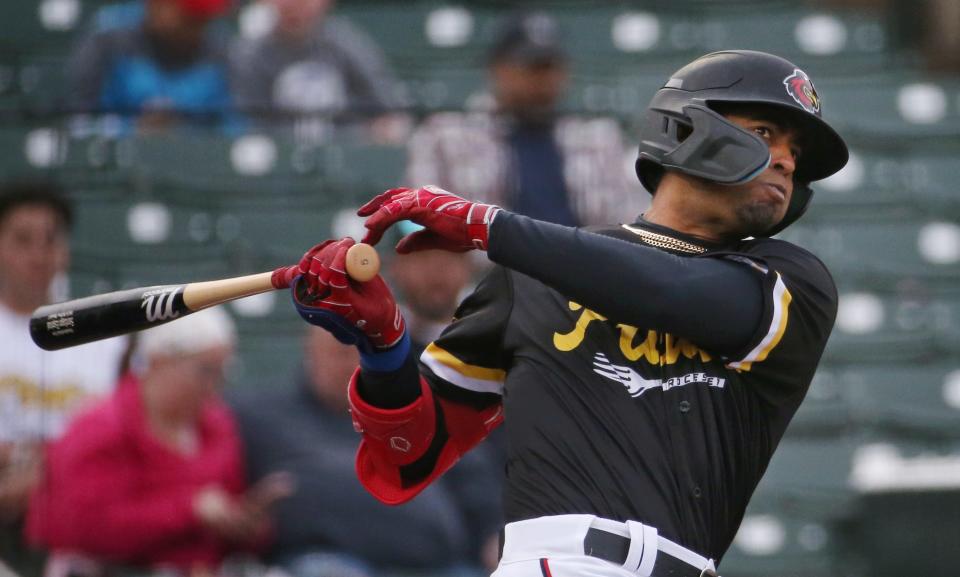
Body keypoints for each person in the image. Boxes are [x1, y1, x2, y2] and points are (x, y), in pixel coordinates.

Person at [270, 49, 849, 577]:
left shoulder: (792, 281)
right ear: (686, 127)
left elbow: (674, 291)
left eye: (796, 154)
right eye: (767, 133)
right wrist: (384, 348)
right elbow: (409, 454)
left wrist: (488, 226)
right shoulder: (533, 275)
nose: (786, 163)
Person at [26, 307, 292, 575]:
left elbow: (224, 528)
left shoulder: (217, 425)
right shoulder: (98, 428)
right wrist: (190, 509)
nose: (214, 386)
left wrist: (246, 525)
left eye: (223, 372)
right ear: (158, 362)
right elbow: (84, 530)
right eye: (205, 371)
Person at [228, 326, 501, 577]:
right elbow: (209, 469)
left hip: (441, 563)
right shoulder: (259, 416)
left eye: (369, 356)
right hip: (327, 560)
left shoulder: (414, 414)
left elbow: (475, 485)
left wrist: (494, 536)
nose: (355, 364)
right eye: (341, 352)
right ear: (310, 351)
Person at [405, 11, 647, 227]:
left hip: (579, 271)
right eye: (531, 67)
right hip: (485, 272)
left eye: (550, 67)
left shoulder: (598, 136)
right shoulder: (445, 134)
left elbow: (627, 221)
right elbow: (412, 220)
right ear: (497, 68)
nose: (543, 80)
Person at [0, 181, 125, 575]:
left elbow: (124, 439)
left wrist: (50, 469)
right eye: (22, 240)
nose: (38, 254)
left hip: (81, 512)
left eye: (50, 240)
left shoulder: (106, 339)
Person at [229, 0, 407, 141]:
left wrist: (369, 133)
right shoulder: (251, 53)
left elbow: (388, 109)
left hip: (346, 157)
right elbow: (249, 125)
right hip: (276, 165)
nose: (295, 4)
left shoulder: (345, 43)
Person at [65, 0, 238, 133]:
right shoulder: (108, 40)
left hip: (195, 170)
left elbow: (234, 127)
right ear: (157, 5)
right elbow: (79, 123)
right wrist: (131, 130)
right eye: (190, 18)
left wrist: (185, 134)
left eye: (204, 20)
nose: (199, 29)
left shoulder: (219, 48)